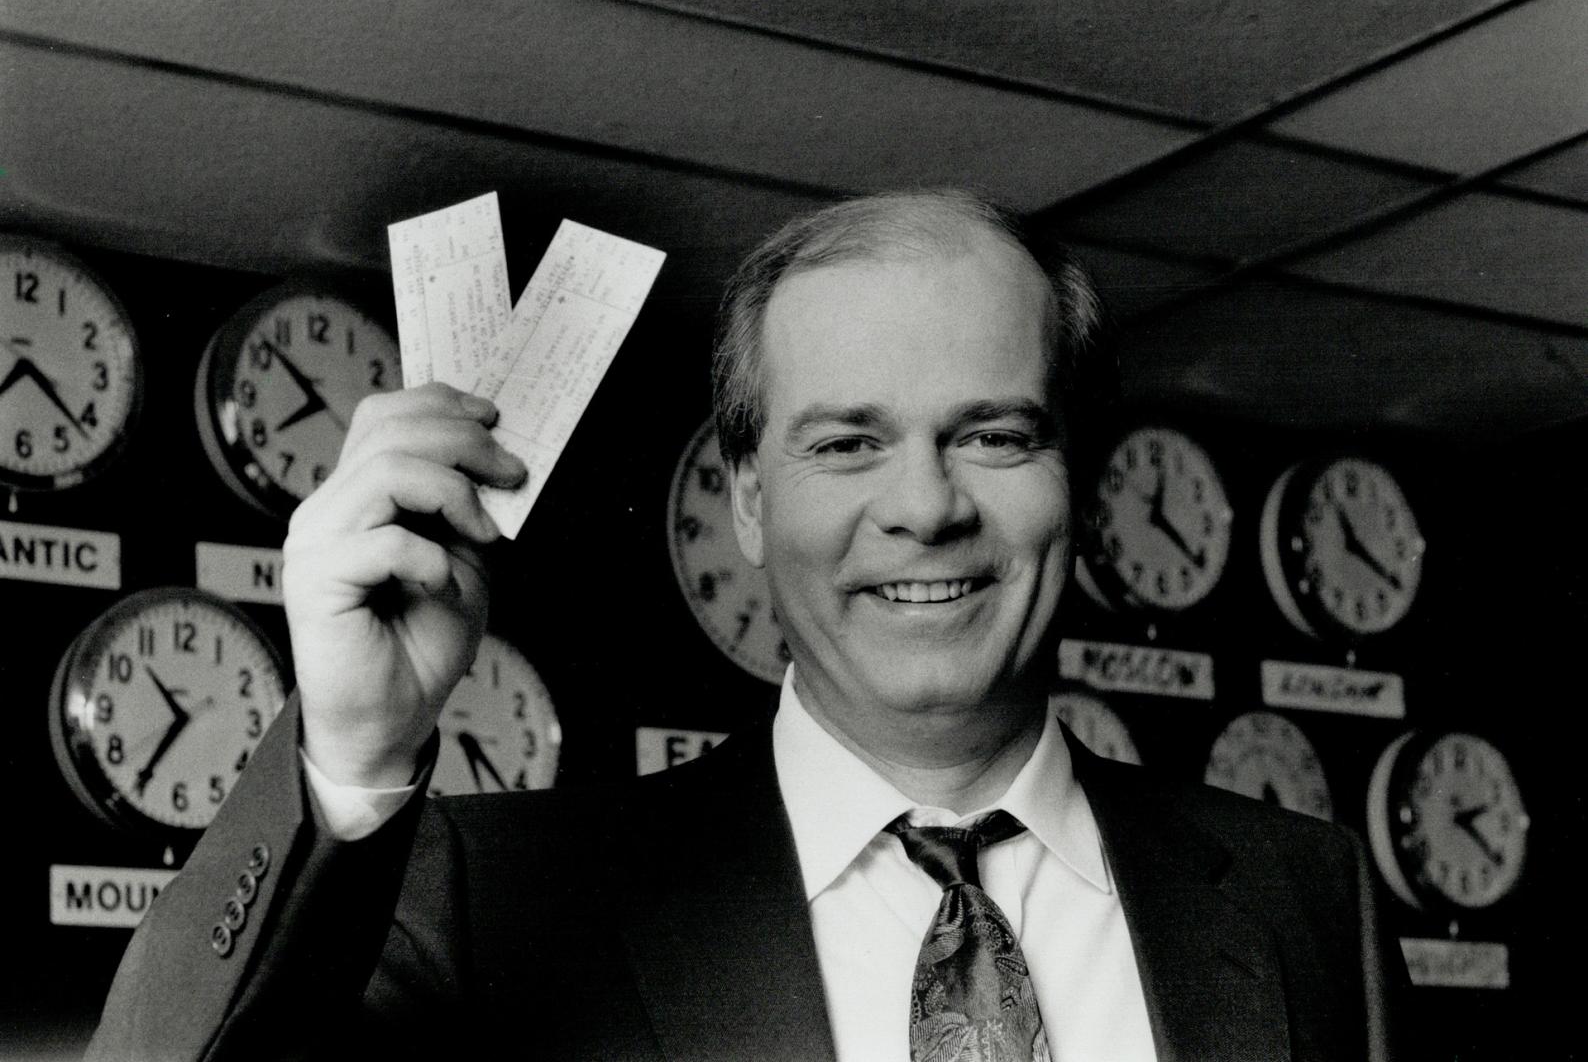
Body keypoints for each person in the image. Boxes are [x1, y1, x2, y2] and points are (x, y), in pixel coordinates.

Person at [88, 191, 1406, 1061]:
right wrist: (350, 755)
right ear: (747, 501)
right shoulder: (495, 896)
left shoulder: (1309, 897)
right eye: (847, 443)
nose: (927, 509)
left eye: (995, 434)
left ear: (1083, 477)